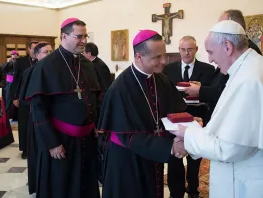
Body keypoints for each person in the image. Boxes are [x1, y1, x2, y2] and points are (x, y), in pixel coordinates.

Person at [170, 20, 263, 198]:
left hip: (244, 180)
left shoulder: (249, 79)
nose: (211, 59)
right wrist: (205, 130)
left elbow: (229, 148)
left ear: (227, 47)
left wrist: (188, 133)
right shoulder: (249, 66)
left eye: (211, 52)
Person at [97, 29, 188, 198]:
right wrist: (170, 146)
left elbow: (174, 113)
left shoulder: (161, 79)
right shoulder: (120, 89)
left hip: (153, 155)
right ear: (139, 57)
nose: (163, 62)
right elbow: (126, 136)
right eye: (156, 57)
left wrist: (184, 130)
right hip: (128, 161)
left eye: (164, 55)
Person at [25, 18, 101, 198]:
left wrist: (97, 124)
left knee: (86, 183)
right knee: (62, 186)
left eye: (85, 36)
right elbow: (38, 109)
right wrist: (52, 143)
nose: (84, 41)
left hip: (87, 139)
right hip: (61, 141)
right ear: (64, 36)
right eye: (79, 36)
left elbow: (95, 98)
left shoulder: (87, 64)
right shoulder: (46, 65)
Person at [163, 36, 215, 198]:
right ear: (179, 50)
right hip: (175, 118)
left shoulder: (208, 69)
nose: (186, 53)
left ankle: (193, 190)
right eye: (183, 49)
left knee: (195, 158)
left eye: (190, 49)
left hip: (198, 116)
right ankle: (175, 193)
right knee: (174, 158)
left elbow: (212, 94)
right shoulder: (168, 69)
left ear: (196, 49)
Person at [17, 42, 53, 195]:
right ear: (37, 55)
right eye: (46, 52)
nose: (50, 54)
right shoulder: (29, 72)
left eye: (51, 51)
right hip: (38, 120)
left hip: (56, 120)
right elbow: (23, 98)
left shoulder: (59, 71)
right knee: (39, 154)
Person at [82, 42, 112, 184]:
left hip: (100, 109)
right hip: (97, 108)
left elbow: (104, 90)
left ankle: (101, 174)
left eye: (83, 53)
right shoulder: (95, 63)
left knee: (100, 144)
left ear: (88, 54)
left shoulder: (97, 66)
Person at [9, 40, 38, 159]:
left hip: (37, 97)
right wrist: (14, 97)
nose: (35, 51)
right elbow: (13, 80)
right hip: (23, 97)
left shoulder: (42, 61)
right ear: (28, 49)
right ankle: (25, 149)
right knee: (24, 124)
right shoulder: (20, 62)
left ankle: (37, 147)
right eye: (33, 48)